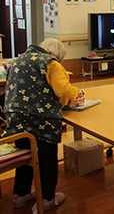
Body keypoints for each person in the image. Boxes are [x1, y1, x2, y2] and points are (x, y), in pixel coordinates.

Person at [2, 38, 83, 211]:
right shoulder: (50, 63)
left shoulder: (18, 60)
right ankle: (48, 198)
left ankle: (20, 195)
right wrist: (75, 93)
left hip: (14, 116)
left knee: (24, 154)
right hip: (40, 118)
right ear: (56, 54)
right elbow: (63, 90)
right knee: (46, 157)